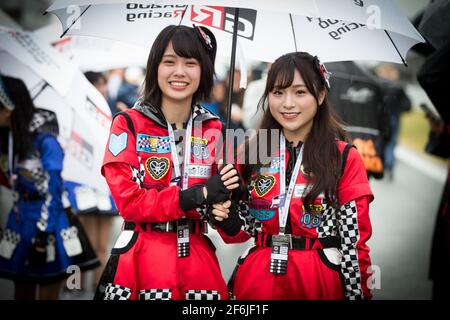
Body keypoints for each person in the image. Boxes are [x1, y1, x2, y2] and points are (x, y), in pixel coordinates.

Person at [210, 52, 374, 300]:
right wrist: (226, 213)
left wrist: (358, 293)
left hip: (317, 278)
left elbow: (354, 242)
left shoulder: (342, 156)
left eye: (300, 92)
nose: (287, 103)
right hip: (258, 279)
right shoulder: (254, 149)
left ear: (319, 95)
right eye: (278, 92)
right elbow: (245, 229)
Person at [94, 25, 240, 300]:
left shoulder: (216, 130)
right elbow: (130, 202)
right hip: (141, 257)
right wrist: (200, 194)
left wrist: (228, 213)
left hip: (199, 261)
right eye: (169, 61)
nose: (180, 72)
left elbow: (234, 227)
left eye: (191, 63)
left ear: (204, 71)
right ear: (154, 67)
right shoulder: (128, 124)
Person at [0, 75, 98, 299]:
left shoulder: (46, 140)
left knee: (48, 289)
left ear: (7, 109)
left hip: (49, 221)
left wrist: (43, 234)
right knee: (21, 287)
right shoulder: (9, 139)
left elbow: (53, 191)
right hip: (20, 218)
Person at [374, 63, 411, 181]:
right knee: (391, 143)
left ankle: (381, 164)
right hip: (393, 119)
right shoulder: (398, 89)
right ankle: (388, 165)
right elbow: (408, 106)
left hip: (381, 119)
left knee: (380, 141)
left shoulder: (378, 86)